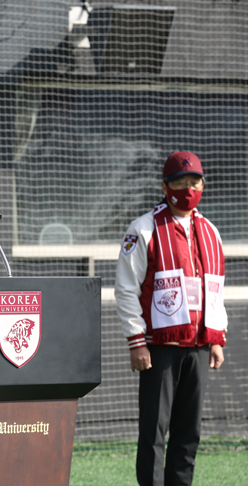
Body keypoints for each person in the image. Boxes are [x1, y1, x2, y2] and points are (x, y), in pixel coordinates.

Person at [115, 151, 227, 486]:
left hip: (199, 346)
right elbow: (126, 289)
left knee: (189, 432)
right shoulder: (143, 228)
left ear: (203, 185)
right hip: (158, 348)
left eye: (195, 182)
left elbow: (215, 290)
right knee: (154, 429)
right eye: (180, 182)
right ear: (165, 186)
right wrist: (136, 341)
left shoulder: (211, 231)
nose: (188, 189)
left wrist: (217, 339)